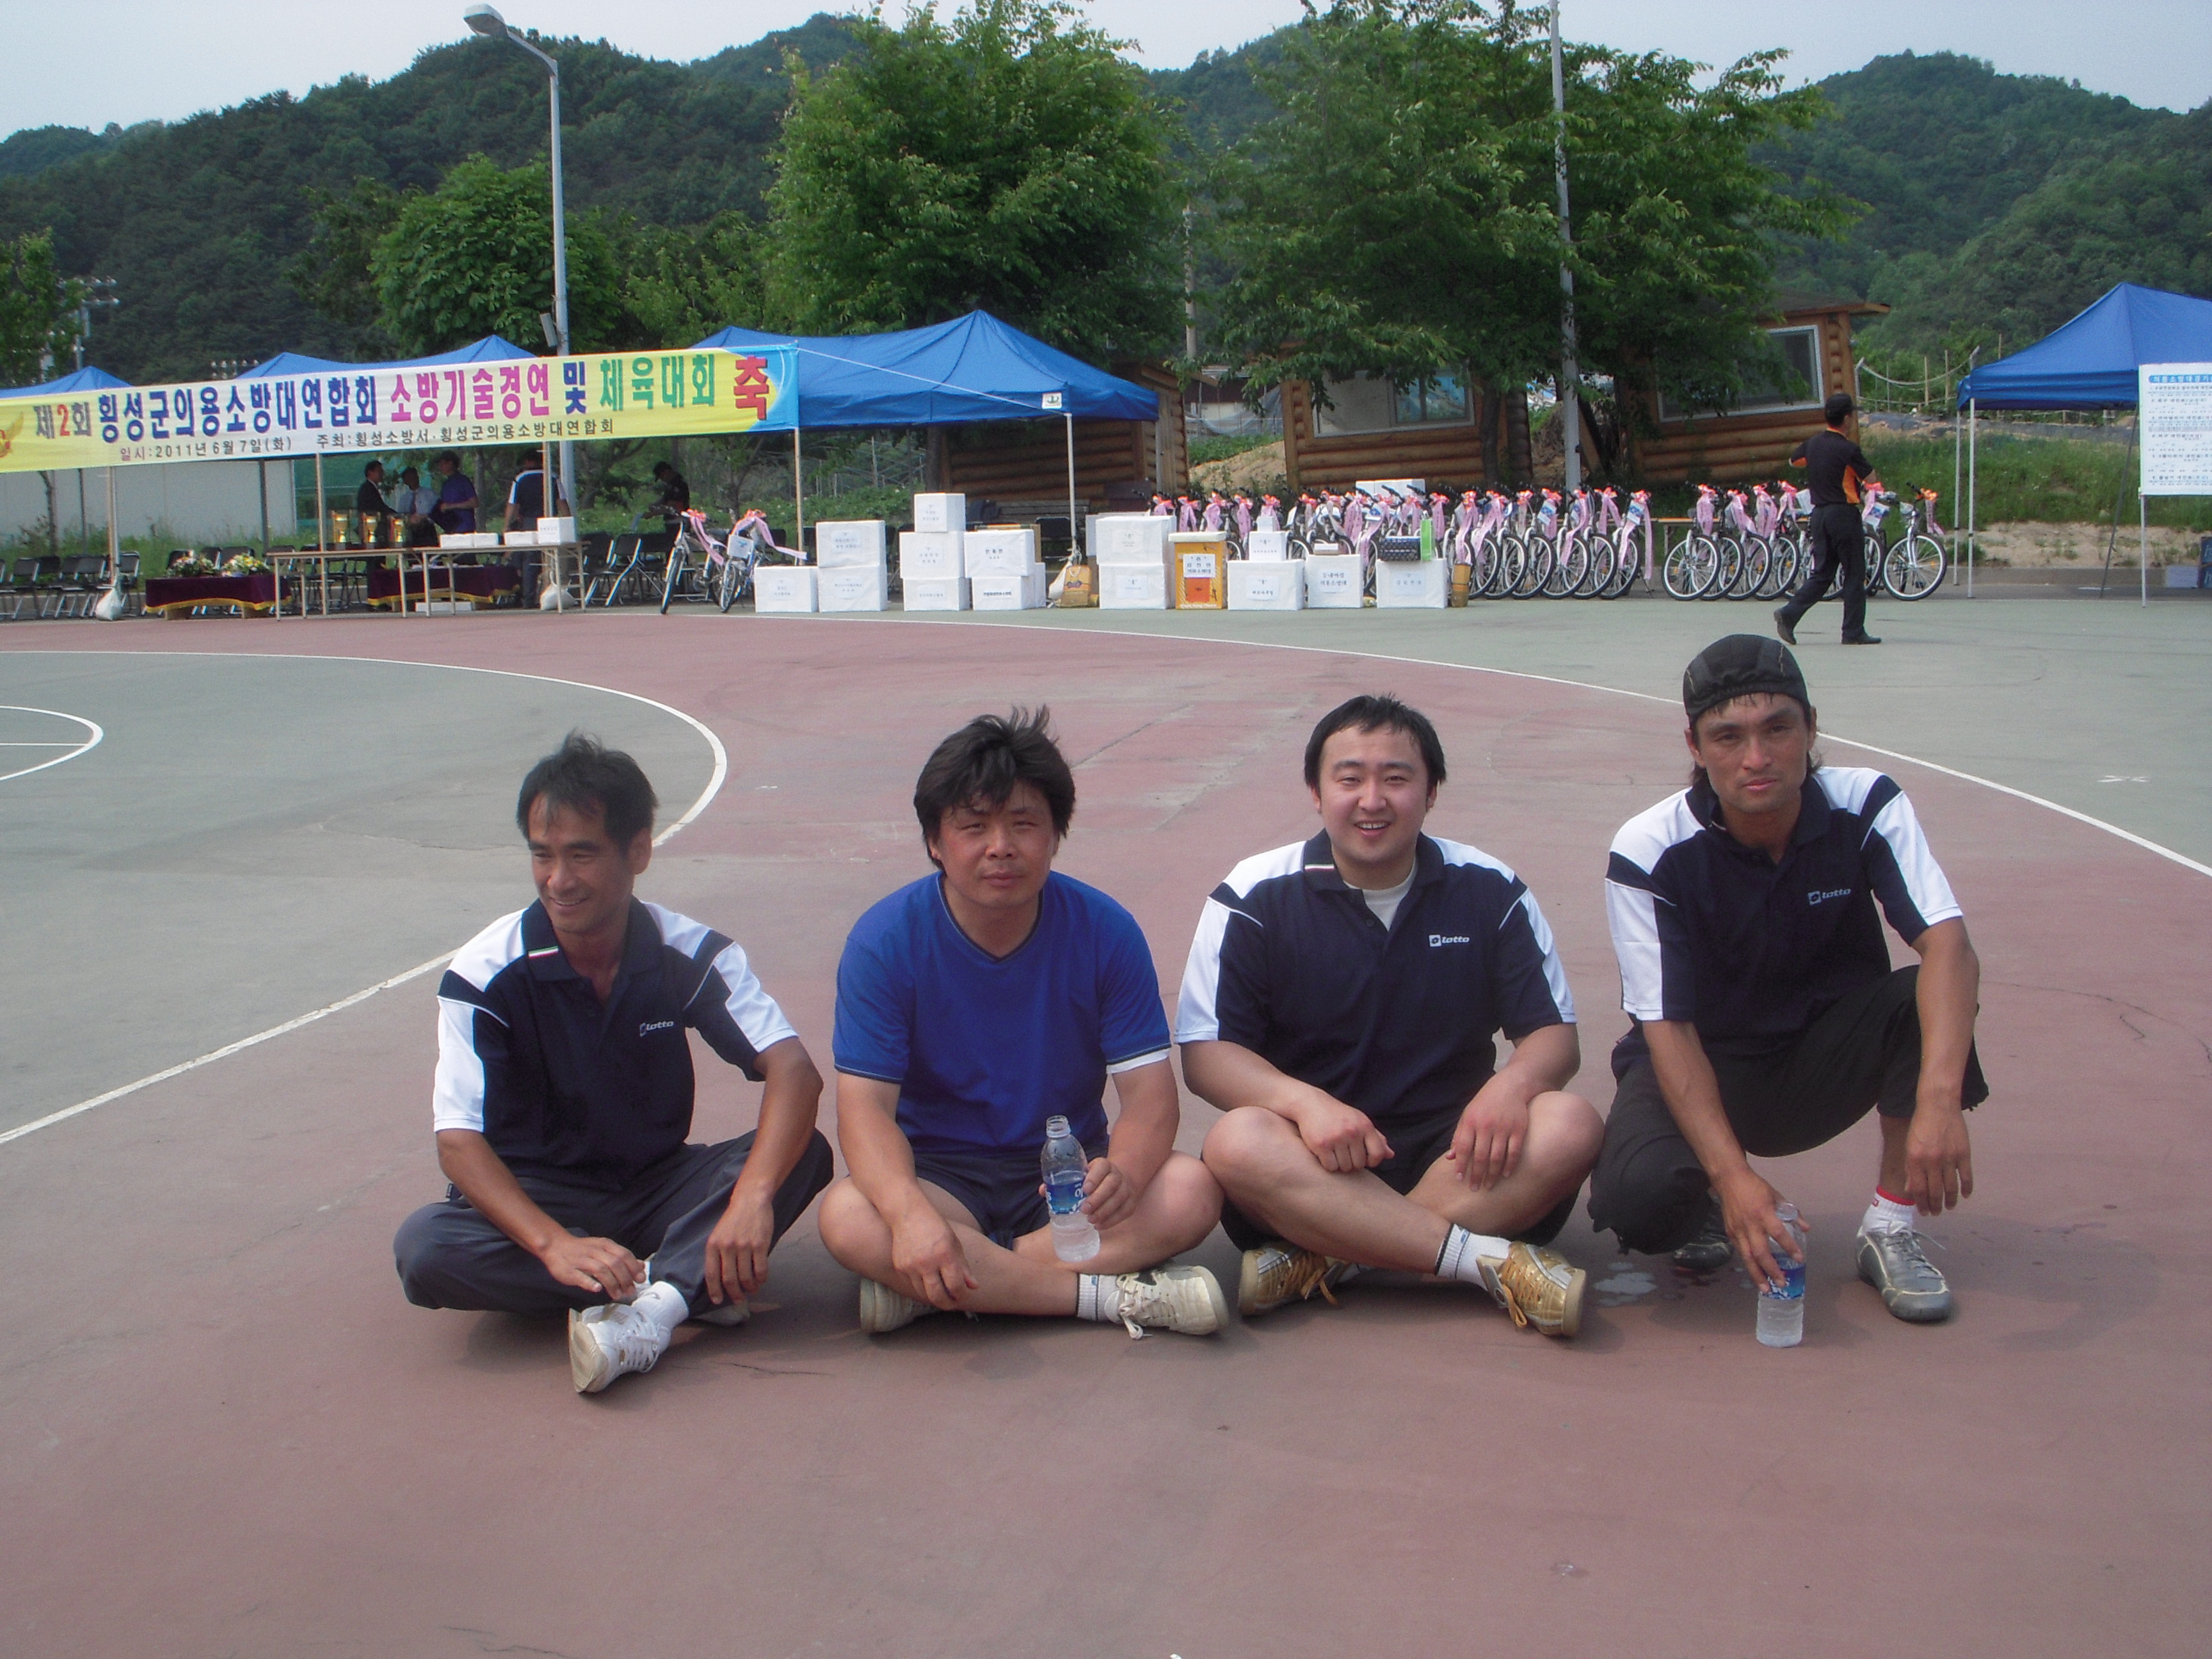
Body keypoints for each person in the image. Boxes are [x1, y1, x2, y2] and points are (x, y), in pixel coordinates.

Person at [392, 734, 834, 1393]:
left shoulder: (687, 953)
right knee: (425, 1248)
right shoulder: (483, 975)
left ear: (639, 852)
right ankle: (681, 1285)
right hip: (539, 1197)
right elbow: (458, 1143)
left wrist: (751, 1201)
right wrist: (552, 1244)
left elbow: (794, 1072)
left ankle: (647, 1308)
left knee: (802, 1153)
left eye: (582, 854)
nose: (558, 880)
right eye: (542, 855)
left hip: (656, 1188)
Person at [1587, 635, 1988, 1322]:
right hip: (1705, 1060)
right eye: (1729, 736)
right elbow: (1666, 1027)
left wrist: (1939, 1099)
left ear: (1811, 728)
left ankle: (1890, 1227)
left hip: (1821, 1055)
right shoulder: (1649, 849)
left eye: (1778, 729)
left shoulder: (1866, 803)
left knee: (1919, 996)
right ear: (1694, 746)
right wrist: (1732, 1177)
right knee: (1637, 1200)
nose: (1757, 757)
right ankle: (1707, 1203)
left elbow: (1949, 945)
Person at [1178, 695, 1601, 1338]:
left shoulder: (1489, 887)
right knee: (1236, 1142)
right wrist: (1306, 1104)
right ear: (1316, 793)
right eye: (1349, 779)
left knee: (1570, 1123)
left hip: (1462, 1155)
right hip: (1314, 1160)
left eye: (1396, 778)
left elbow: (1553, 1037)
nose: (1371, 800)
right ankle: (1481, 1259)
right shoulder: (1253, 896)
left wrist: (1511, 1088)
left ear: (1431, 793)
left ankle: (1331, 1257)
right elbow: (1208, 1056)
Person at [817, 709, 1228, 1339]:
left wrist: (1123, 1173)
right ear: (935, 842)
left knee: (1191, 1189)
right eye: (973, 826)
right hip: (939, 1175)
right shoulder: (884, 941)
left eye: (1024, 824)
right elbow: (865, 1111)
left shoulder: (1105, 931)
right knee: (849, 1216)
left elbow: (1149, 1100)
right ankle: (1104, 1298)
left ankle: (950, 1286)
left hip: (1067, 1176)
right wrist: (908, 1215)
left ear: (1056, 835)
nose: (1000, 846)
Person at [1775, 392, 1883, 646]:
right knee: (1854, 572)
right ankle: (1853, 631)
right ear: (1846, 418)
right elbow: (1871, 478)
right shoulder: (1848, 449)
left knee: (1823, 573)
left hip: (1819, 514)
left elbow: (1794, 461)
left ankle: (1790, 614)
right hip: (1843, 513)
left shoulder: (1813, 444)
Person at [431, 452, 477, 537]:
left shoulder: (463, 481)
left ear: (450, 463)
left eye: (442, 464)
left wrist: (451, 506)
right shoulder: (446, 484)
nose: (440, 467)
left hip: (465, 528)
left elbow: (474, 503)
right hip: (451, 528)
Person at [354, 460, 396, 549]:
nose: (382, 474)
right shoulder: (368, 488)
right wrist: (396, 515)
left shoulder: (370, 488)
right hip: (371, 529)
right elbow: (379, 507)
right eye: (379, 471)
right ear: (370, 473)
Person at [396, 466, 440, 548]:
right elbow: (400, 515)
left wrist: (423, 517)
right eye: (409, 478)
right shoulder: (404, 498)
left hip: (427, 530)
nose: (412, 479)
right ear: (405, 481)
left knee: (429, 552)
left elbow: (437, 512)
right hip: (411, 531)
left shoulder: (429, 494)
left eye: (413, 476)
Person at [652, 461, 691, 536]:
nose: (662, 479)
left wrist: (653, 514)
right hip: (671, 522)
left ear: (667, 472)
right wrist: (655, 505)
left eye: (662, 477)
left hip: (678, 522)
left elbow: (672, 506)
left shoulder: (678, 484)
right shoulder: (670, 485)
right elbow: (666, 499)